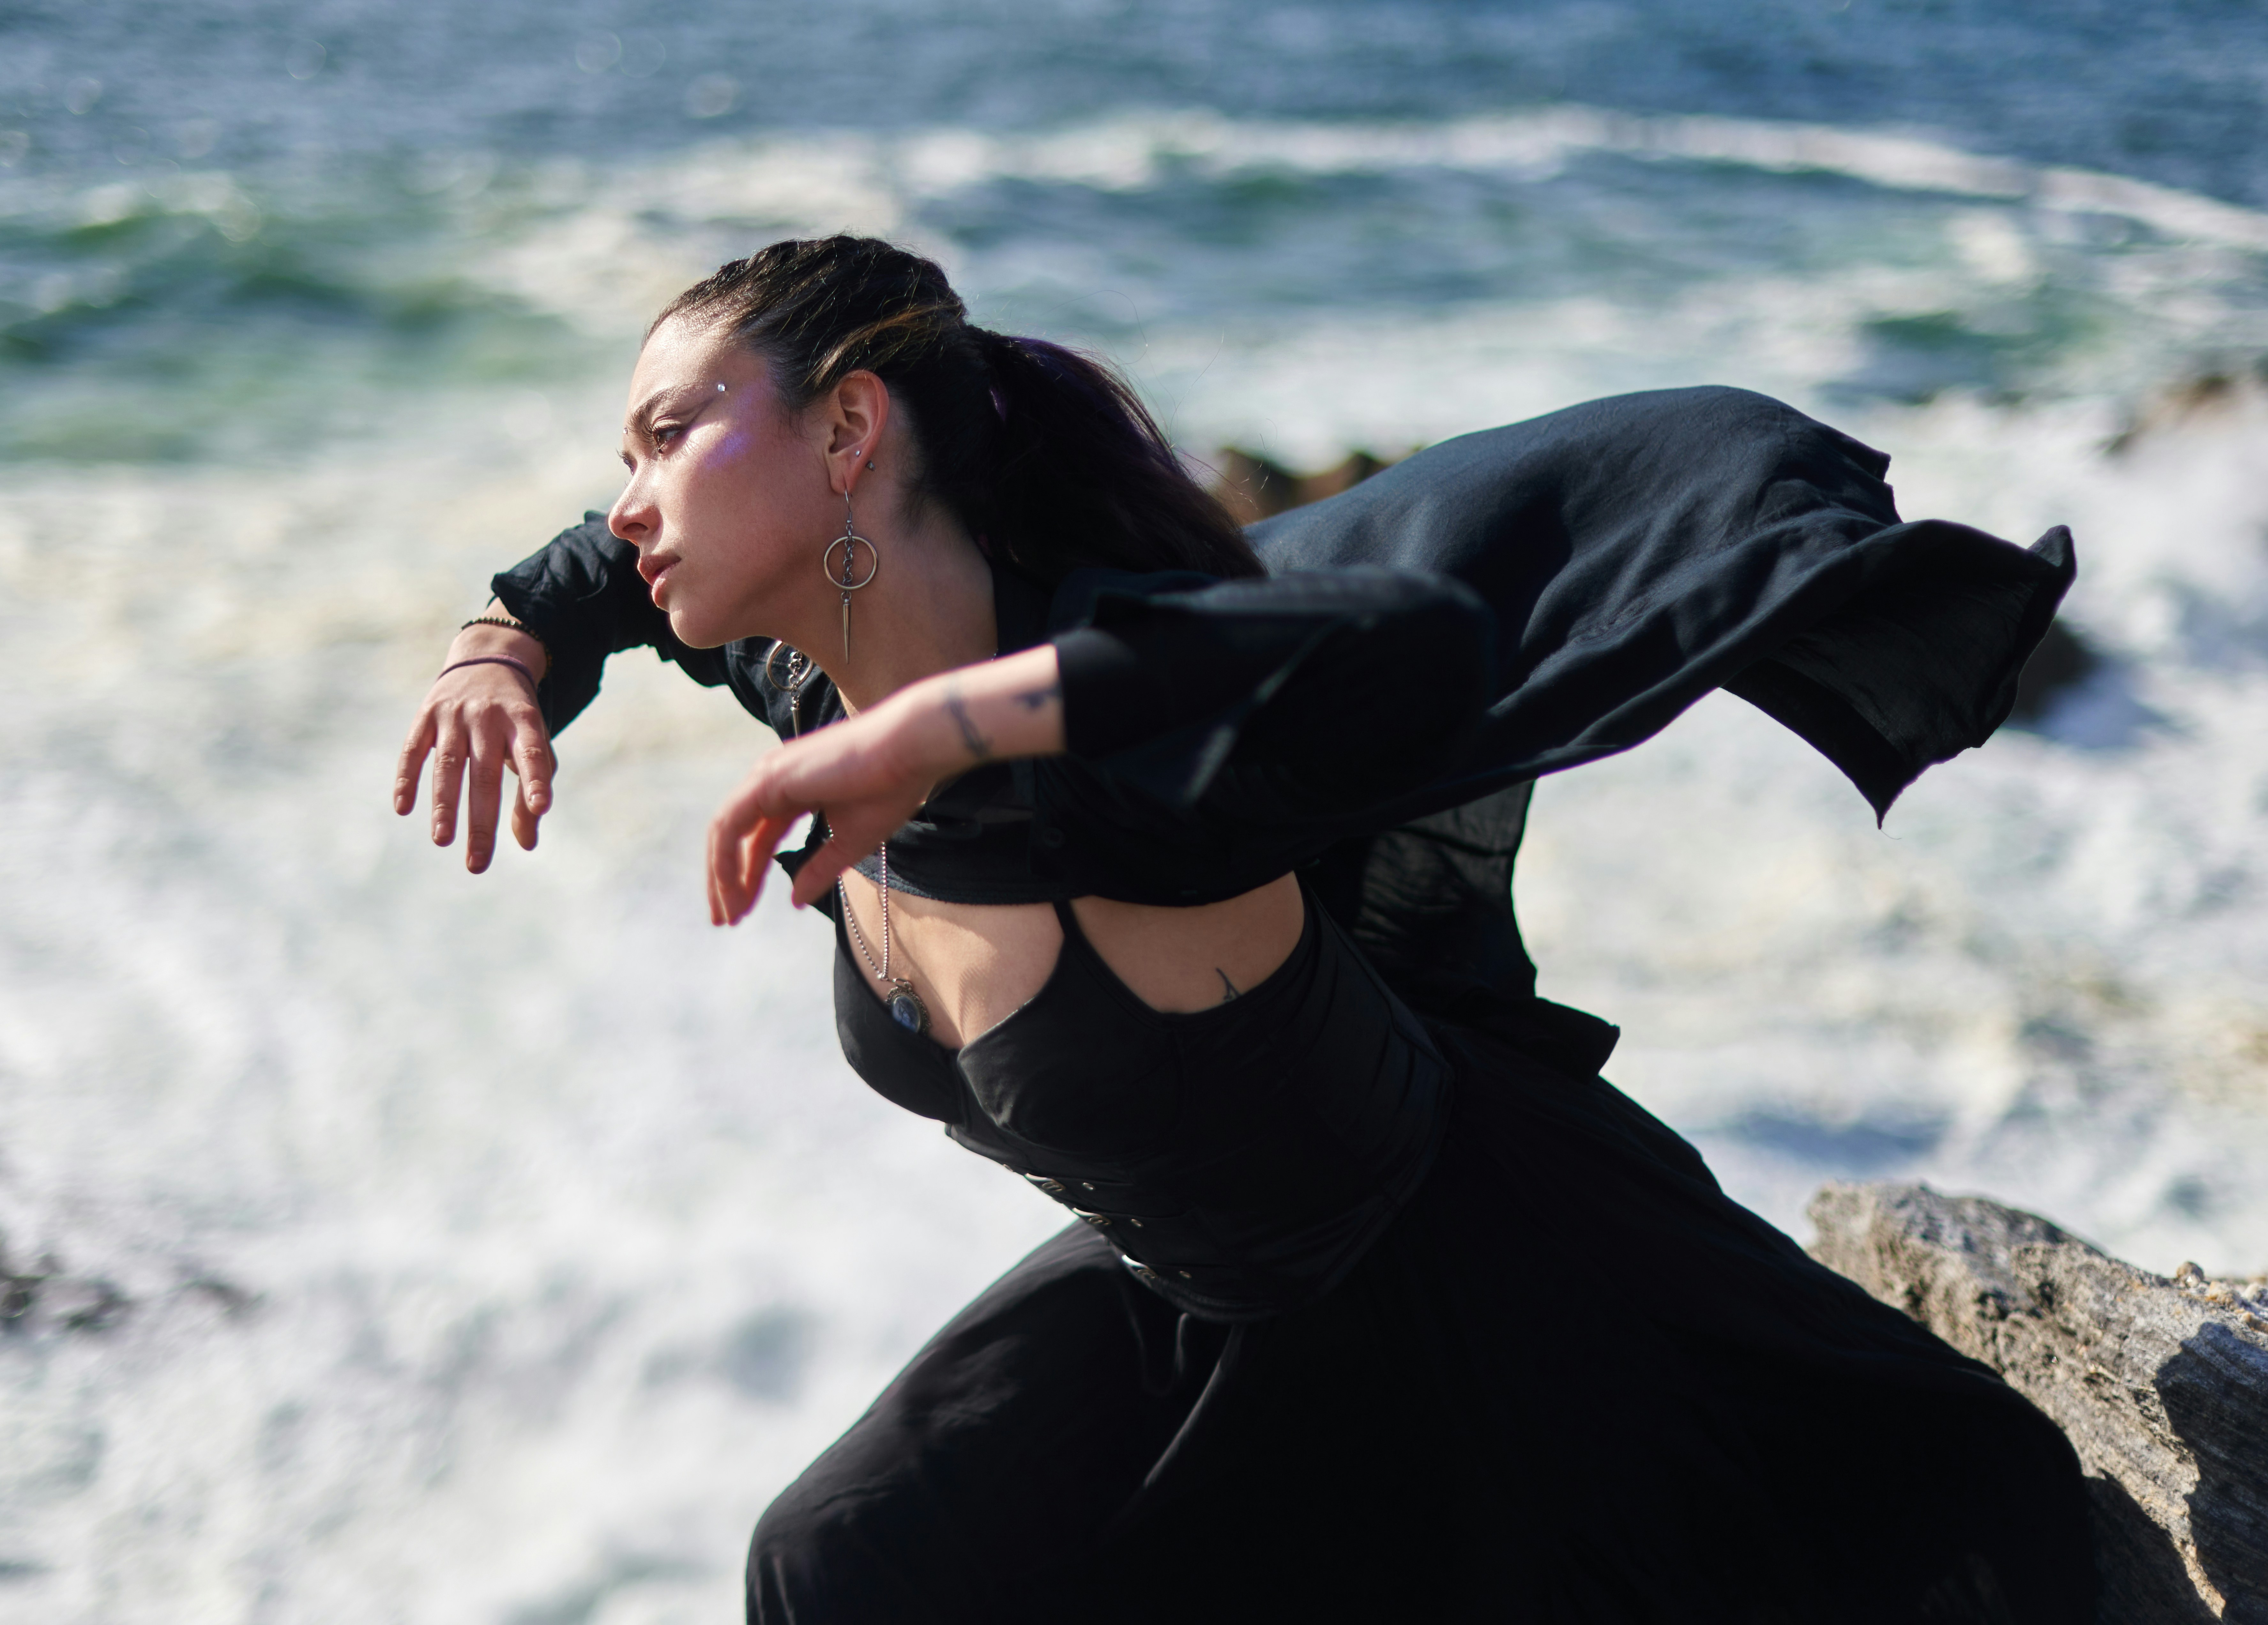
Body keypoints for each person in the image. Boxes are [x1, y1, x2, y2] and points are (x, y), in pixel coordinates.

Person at [395, 236, 2096, 1622]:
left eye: (669, 435)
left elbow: (1399, 632)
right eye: (626, 453)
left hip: (1478, 1296)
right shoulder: (798, 664)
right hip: (1192, 1301)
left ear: (849, 436)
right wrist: (500, 644)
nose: (628, 497)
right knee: (840, 1560)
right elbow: (596, 575)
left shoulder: (1148, 751)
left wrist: (949, 734)